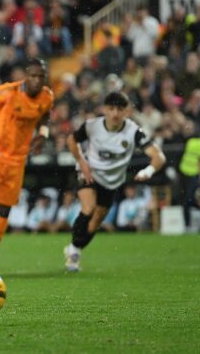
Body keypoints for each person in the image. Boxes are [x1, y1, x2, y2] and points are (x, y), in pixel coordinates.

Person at [64, 91, 166, 271]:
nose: (115, 114)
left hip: (111, 182)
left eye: (120, 109)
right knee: (88, 208)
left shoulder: (133, 131)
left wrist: (148, 170)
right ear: (104, 109)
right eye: (111, 109)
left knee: (95, 223)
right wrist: (82, 162)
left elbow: (159, 156)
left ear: (127, 111)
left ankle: (75, 248)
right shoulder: (91, 126)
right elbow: (71, 140)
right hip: (90, 173)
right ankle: (73, 253)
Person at [0, 58, 54, 272]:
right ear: (26, 76)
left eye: (40, 77)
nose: (36, 80)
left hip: (17, 159)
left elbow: (45, 115)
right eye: (33, 76)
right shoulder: (8, 91)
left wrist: (43, 135)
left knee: (5, 209)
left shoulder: (47, 96)